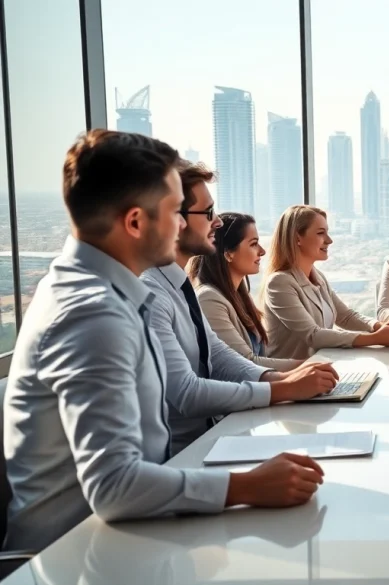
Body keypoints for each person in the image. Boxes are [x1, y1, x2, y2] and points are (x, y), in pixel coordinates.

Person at [3, 130, 325, 552]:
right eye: (176, 211)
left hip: (123, 534)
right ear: (136, 222)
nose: (183, 224)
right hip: (75, 554)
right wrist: (246, 485)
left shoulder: (103, 290)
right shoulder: (93, 313)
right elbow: (114, 486)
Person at [142, 161, 339, 454]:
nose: (217, 222)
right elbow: (185, 393)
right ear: (172, 219)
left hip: (213, 437)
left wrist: (284, 378)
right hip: (182, 454)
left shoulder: (179, 286)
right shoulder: (152, 294)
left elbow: (219, 355)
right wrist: (282, 388)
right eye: (208, 213)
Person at [261, 205, 389, 359]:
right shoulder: (279, 283)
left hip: (320, 366)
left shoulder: (318, 276)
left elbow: (345, 316)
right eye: (321, 233)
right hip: (293, 371)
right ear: (297, 238)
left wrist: (378, 326)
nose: (329, 240)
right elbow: (313, 335)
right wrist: (374, 338)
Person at [188, 211, 301, 371]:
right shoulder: (209, 299)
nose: (262, 251)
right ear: (228, 254)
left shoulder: (239, 296)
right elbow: (244, 364)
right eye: (253, 244)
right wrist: (308, 366)